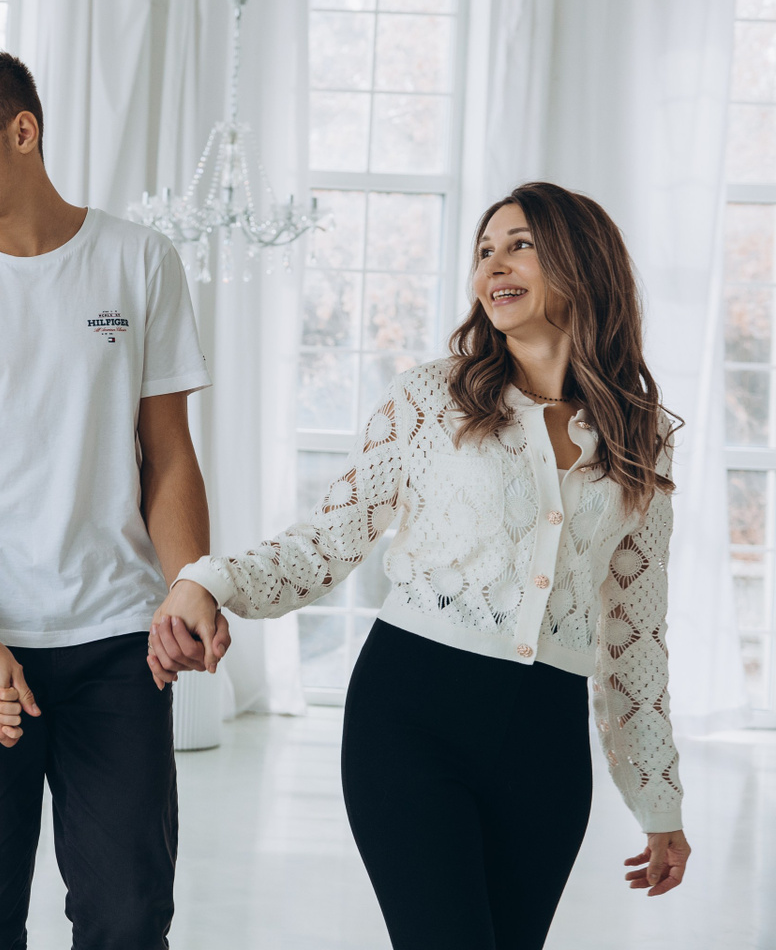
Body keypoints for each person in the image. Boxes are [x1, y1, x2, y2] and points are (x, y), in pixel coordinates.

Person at [154, 181, 692, 950]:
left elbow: (637, 635)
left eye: (519, 246)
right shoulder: (430, 400)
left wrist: (659, 801)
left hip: (545, 745)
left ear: (582, 262)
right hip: (412, 719)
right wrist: (209, 580)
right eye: (484, 251)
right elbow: (327, 541)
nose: (492, 267)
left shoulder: (641, 437)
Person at [0, 50, 218, 950]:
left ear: (23, 132)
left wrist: (190, 583)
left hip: (118, 643)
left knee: (129, 918)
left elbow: (168, 455)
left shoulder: (139, 260)